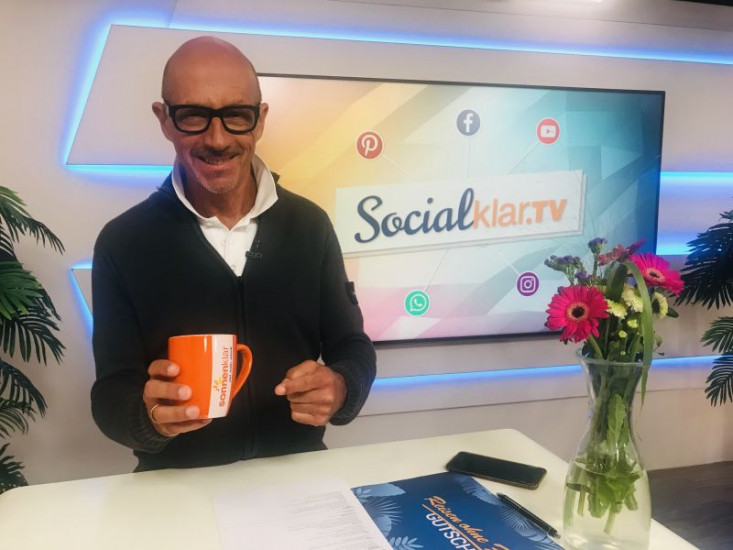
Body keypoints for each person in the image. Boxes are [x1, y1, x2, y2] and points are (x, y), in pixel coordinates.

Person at [90, 36, 377, 471]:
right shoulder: (123, 242)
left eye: (237, 115)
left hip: (298, 478)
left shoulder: (310, 226)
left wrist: (341, 386)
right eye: (193, 116)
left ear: (260, 120)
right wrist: (147, 420)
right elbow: (110, 392)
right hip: (176, 488)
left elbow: (352, 346)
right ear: (164, 120)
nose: (218, 139)